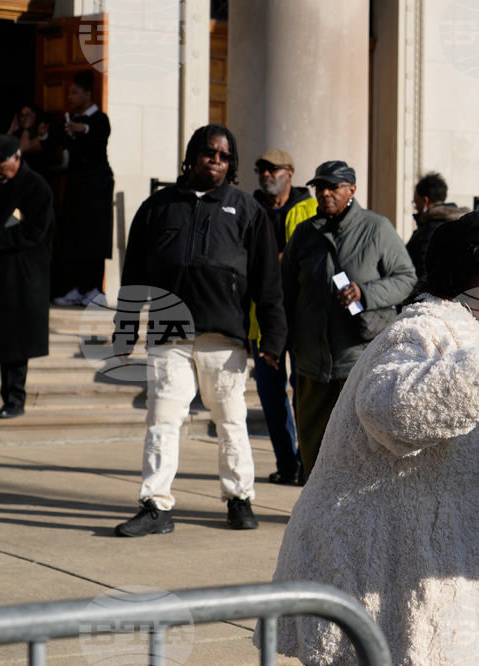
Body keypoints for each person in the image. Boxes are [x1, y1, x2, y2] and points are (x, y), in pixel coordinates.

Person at [258, 211, 479, 665]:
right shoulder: (421, 328)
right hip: (373, 578)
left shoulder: (477, 340)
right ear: (462, 268)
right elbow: (389, 409)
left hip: (416, 577)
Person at [113, 124, 287, 536]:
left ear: (232, 164)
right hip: (168, 334)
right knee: (162, 420)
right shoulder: (157, 208)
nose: (216, 159)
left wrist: (273, 339)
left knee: (230, 421)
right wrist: (124, 332)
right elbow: (134, 276)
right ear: (191, 156)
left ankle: (239, 499)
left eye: (225, 155)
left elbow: (267, 282)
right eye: (209, 152)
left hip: (223, 336)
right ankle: (155, 505)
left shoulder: (247, 211)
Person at [281, 160, 417, 477]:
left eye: (333, 186)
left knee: (360, 451)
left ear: (352, 190)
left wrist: (365, 292)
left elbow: (407, 278)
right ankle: (314, 519)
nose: (325, 193)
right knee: (312, 451)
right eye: (320, 187)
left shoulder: (377, 228)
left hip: (359, 358)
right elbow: (285, 289)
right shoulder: (305, 233)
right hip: (311, 362)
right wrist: (284, 340)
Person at [250, 149, 318, 486]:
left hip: (302, 318)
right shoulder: (249, 209)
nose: (265, 175)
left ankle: (308, 464)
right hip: (261, 320)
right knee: (270, 394)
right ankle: (286, 464)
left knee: (303, 394)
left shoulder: (311, 208)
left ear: (289, 173)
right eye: (261, 169)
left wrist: (283, 258)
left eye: (272, 169)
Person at [0, 135, 55, 419]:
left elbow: (34, 231)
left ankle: (14, 398)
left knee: (15, 340)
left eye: (1, 164)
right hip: (0, 270)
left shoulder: (36, 187)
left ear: (16, 158)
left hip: (21, 273)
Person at [52, 70, 114, 307]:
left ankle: (95, 289)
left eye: (74, 92)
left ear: (87, 95)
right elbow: (50, 142)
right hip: (77, 184)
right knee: (75, 234)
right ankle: (78, 288)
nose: (70, 97)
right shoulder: (69, 121)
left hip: (97, 185)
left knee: (95, 234)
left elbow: (99, 131)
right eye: (69, 92)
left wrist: (83, 129)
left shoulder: (99, 119)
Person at [405, 172, 470, 278]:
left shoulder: (431, 229)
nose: (415, 206)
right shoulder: (458, 225)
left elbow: (424, 271)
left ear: (425, 200)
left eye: (416, 201)